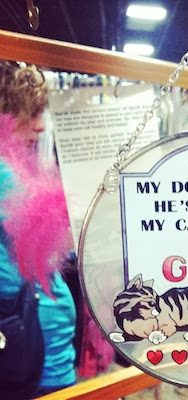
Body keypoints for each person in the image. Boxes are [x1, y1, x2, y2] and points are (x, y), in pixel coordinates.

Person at [0, 61, 76, 398]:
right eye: (31, 113)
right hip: (37, 360)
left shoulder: (12, 168)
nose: (42, 126)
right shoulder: (5, 175)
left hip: (35, 351)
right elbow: (64, 242)